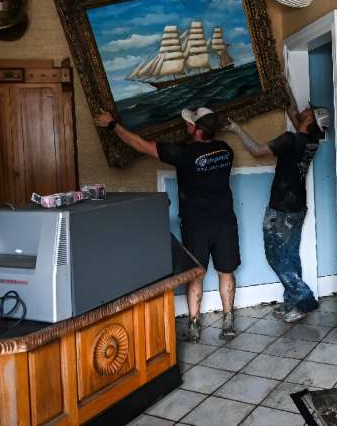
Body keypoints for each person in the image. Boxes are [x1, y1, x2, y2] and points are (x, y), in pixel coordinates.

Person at [94, 107, 240, 342]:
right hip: (225, 221)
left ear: (198, 130)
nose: (186, 126)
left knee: (196, 274)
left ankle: (194, 327)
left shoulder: (184, 154)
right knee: (226, 271)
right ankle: (228, 321)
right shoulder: (226, 150)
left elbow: (140, 145)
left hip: (196, 225)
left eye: (190, 124)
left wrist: (113, 124)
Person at [226, 103, 331, 323]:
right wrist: (285, 93)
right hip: (297, 206)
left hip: (282, 208)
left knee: (276, 256)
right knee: (290, 256)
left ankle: (304, 299)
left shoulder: (290, 140)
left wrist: (236, 129)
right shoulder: (311, 141)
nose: (302, 109)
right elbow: (298, 121)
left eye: (307, 111)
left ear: (309, 121)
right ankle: (293, 302)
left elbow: (256, 152)